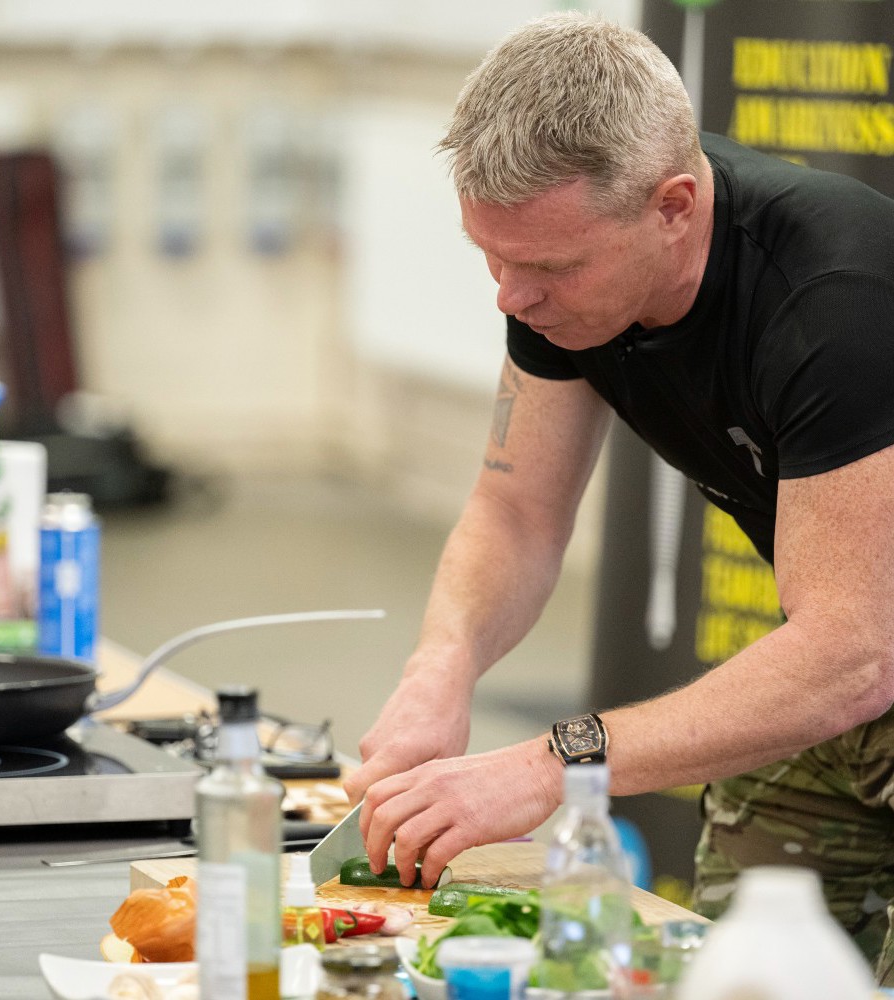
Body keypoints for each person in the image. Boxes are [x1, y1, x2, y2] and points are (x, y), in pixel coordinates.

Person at [343, 10, 894, 984]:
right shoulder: (563, 272)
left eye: (547, 268)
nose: (511, 299)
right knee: (742, 968)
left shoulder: (838, 297)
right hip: (858, 660)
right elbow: (515, 510)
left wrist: (550, 764)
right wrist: (443, 665)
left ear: (674, 206)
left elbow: (851, 655)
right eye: (491, 257)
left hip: (863, 650)